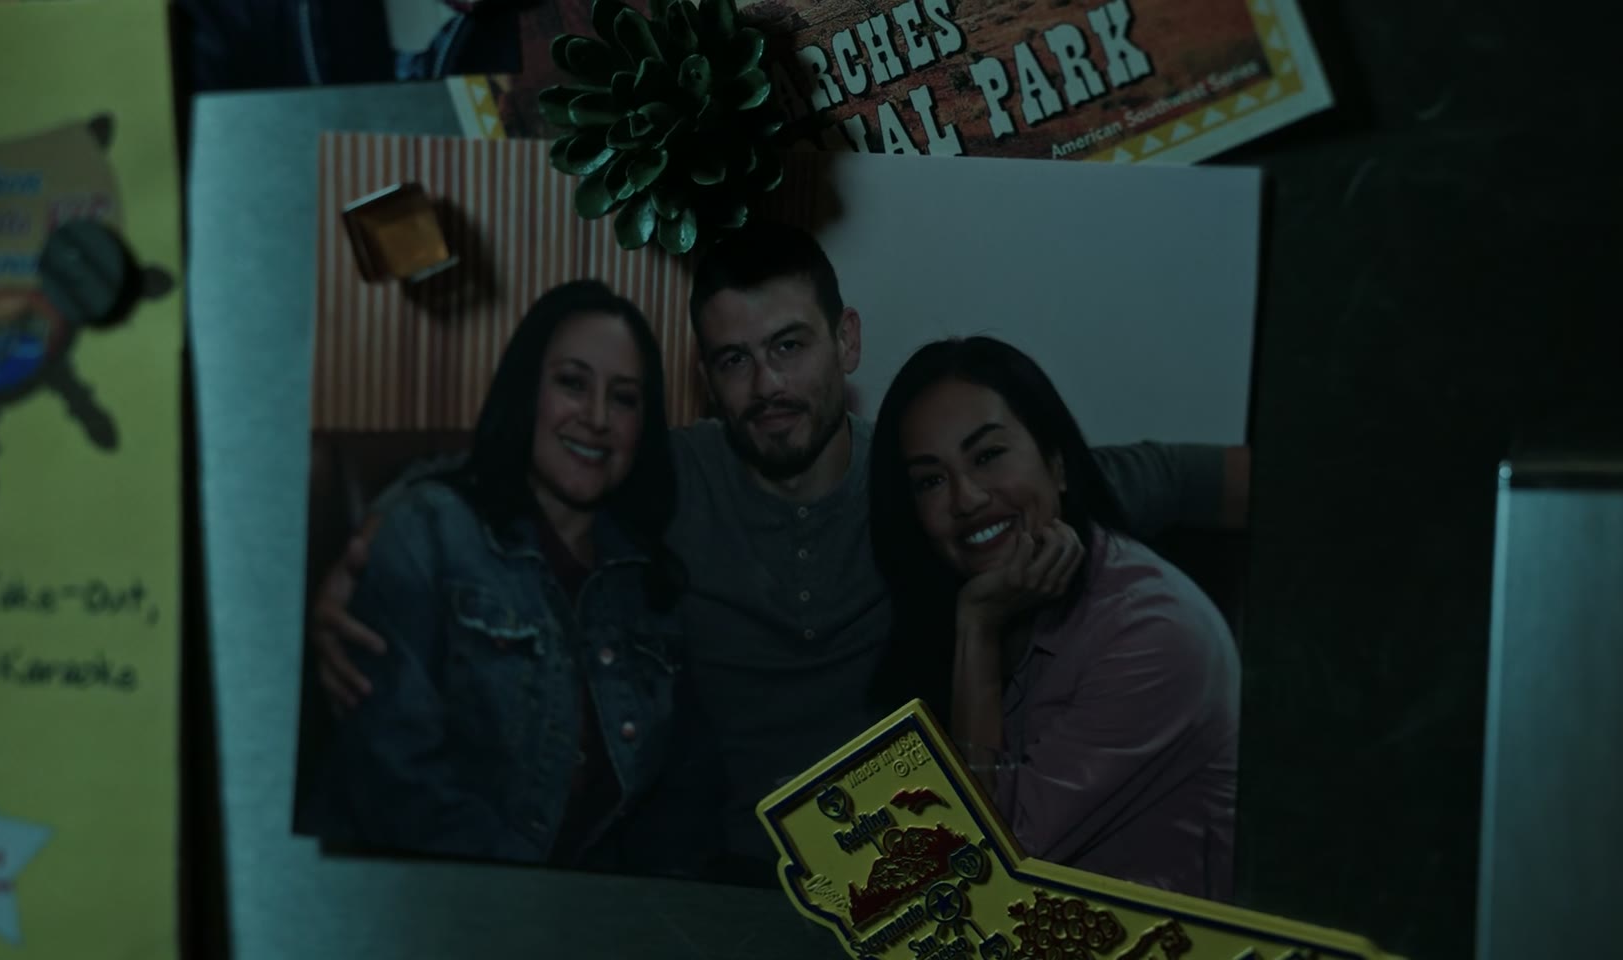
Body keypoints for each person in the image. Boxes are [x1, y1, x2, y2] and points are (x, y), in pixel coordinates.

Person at [308, 221, 1249, 881]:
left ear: (846, 341)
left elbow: (1173, 473)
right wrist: (368, 545)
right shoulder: (667, 475)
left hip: (903, 870)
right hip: (715, 869)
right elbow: (510, 467)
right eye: (734, 360)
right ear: (706, 377)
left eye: (790, 346)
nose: (767, 386)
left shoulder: (933, 482)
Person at [301, 280, 689, 869]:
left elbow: (669, 806)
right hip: (422, 896)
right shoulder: (427, 534)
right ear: (526, 389)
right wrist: (535, 905)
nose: (597, 417)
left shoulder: (649, 585)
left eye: (624, 398)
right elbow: (395, 781)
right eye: (572, 383)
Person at [869, 335, 1240, 900]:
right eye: (930, 480)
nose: (965, 499)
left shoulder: (1154, 633)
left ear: (1058, 465)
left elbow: (979, 872)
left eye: (988, 456)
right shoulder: (967, 599)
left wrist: (977, 632)